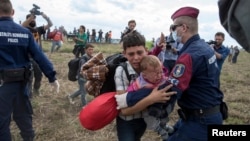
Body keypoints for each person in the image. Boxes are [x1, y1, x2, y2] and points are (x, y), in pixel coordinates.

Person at [116, 6, 226, 141]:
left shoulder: (189, 55)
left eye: (173, 28)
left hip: (200, 121)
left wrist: (128, 98)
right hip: (207, 114)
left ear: (183, 28)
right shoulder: (204, 48)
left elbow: (169, 90)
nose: (172, 31)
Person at [0, 0, 60, 141]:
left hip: (2, 86)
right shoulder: (24, 33)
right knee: (24, 118)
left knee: (2, 123)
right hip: (22, 84)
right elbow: (39, 56)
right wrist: (52, 77)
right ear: (13, 12)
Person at [114, 30, 176, 141]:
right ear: (124, 54)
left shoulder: (151, 65)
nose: (136, 57)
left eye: (139, 52)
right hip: (127, 121)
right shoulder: (121, 71)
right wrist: (152, 99)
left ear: (146, 51)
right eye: (131, 54)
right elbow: (124, 111)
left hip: (142, 118)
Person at [126, 55, 175, 141]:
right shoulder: (139, 84)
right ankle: (160, 130)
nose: (159, 75)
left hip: (160, 105)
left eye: (160, 72)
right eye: (156, 74)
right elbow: (130, 94)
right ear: (144, 75)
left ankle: (164, 126)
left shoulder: (162, 78)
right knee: (150, 121)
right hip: (147, 108)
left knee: (163, 116)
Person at [22, 8, 53, 96]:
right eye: (32, 19)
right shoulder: (24, 30)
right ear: (28, 20)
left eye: (34, 19)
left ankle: (36, 89)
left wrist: (46, 17)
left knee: (39, 75)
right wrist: (30, 17)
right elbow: (22, 25)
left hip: (37, 57)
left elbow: (50, 24)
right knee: (29, 76)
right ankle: (29, 93)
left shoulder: (38, 30)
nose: (33, 20)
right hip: (27, 57)